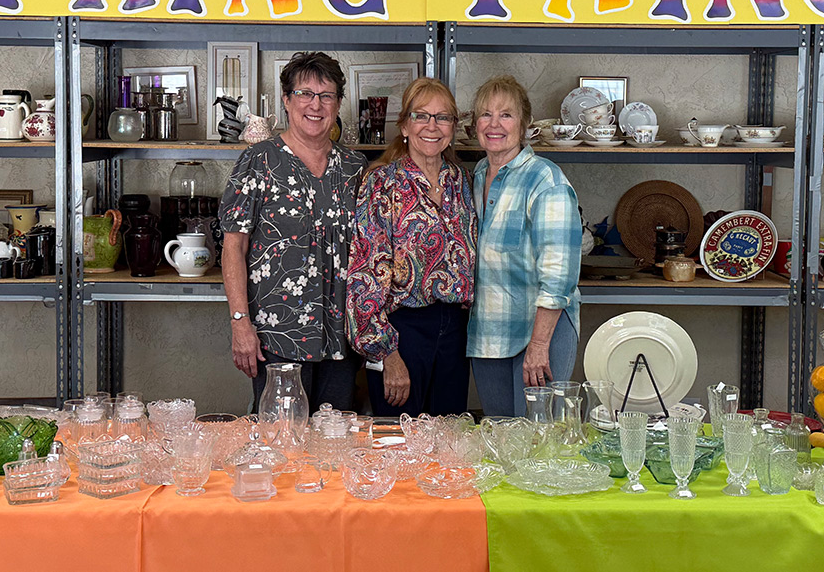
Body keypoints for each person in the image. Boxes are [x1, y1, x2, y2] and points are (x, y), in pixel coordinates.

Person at [219, 52, 366, 412]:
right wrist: (240, 324)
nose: (315, 105)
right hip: (276, 336)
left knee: (335, 437)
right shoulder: (259, 160)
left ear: (338, 103)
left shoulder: (354, 167)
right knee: (281, 437)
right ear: (286, 100)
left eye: (326, 95)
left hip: (342, 337)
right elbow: (233, 247)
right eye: (304, 94)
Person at [347, 78, 477, 415]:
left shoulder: (462, 181)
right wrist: (386, 353)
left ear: (453, 127)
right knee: (398, 439)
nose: (432, 126)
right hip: (402, 332)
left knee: (448, 437)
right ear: (405, 125)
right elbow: (365, 274)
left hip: (455, 332)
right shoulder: (381, 182)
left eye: (443, 117)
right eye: (421, 116)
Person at [468, 75, 582, 417]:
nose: (494, 124)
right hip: (488, 334)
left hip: (539, 333)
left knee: (537, 439)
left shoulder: (545, 180)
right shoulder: (477, 175)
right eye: (485, 114)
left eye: (506, 115)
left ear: (525, 124)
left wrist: (539, 344)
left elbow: (560, 274)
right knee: (499, 437)